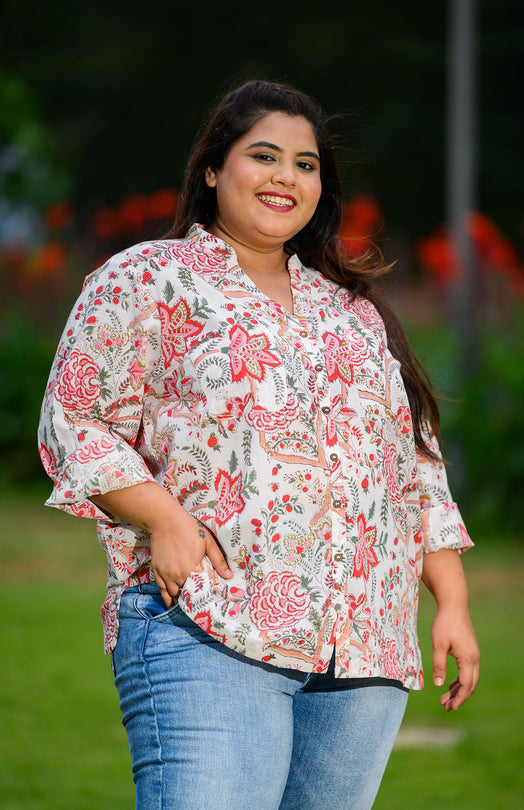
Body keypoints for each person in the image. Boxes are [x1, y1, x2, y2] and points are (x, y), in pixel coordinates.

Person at [38, 79, 480, 810]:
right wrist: (165, 519)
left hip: (364, 649)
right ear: (214, 168)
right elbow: (74, 418)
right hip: (209, 622)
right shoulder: (147, 280)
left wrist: (453, 603)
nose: (286, 176)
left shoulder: (353, 314)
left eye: (305, 165)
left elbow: (414, 468)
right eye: (264, 155)